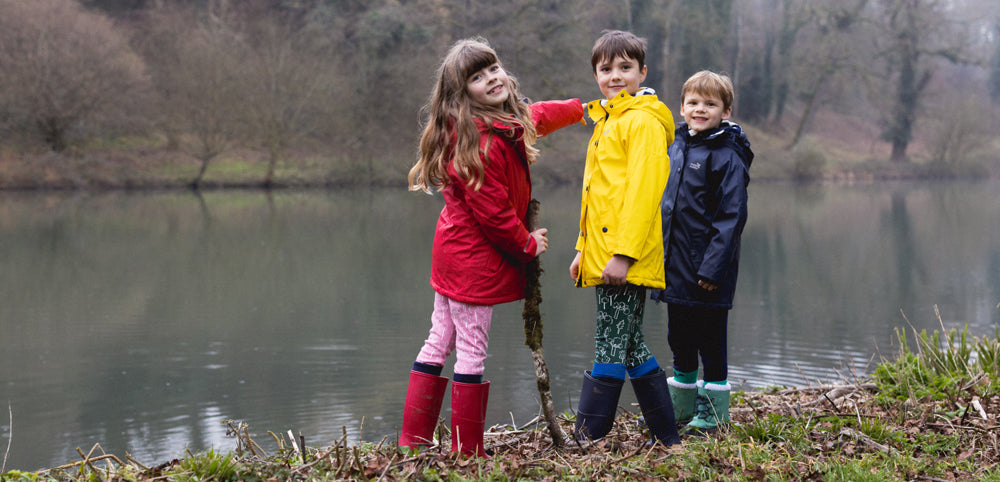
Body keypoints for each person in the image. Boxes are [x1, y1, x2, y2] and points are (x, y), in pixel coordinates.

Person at [399, 37, 584, 458]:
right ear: (463, 95)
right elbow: (496, 214)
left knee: (439, 338)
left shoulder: (498, 122)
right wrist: (528, 244)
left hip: (455, 255)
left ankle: (413, 440)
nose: (491, 79)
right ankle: (467, 450)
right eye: (477, 78)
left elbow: (535, 115)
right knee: (471, 349)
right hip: (472, 262)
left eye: (493, 69)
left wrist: (579, 110)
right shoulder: (477, 145)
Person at [570, 30, 680, 447]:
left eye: (625, 68)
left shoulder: (644, 122)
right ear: (596, 74)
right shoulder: (609, 120)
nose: (615, 76)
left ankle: (588, 437)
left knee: (610, 342)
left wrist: (623, 254)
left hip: (624, 255)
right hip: (603, 253)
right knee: (628, 342)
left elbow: (642, 195)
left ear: (642, 72)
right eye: (606, 69)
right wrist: (583, 250)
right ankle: (668, 436)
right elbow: (596, 195)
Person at [651, 70, 754, 434]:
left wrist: (713, 269)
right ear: (681, 107)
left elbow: (731, 217)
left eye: (710, 104)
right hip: (674, 266)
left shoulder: (727, 155)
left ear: (726, 111)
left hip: (710, 271)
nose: (700, 109)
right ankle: (681, 406)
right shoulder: (677, 147)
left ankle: (713, 412)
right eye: (693, 102)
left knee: (711, 340)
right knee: (678, 337)